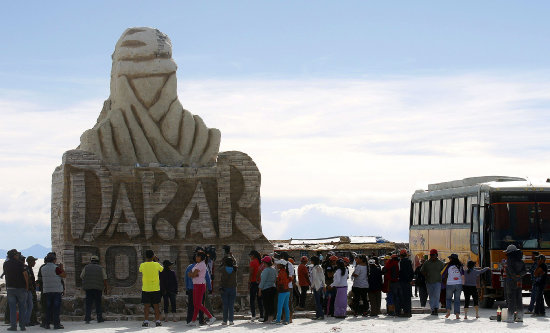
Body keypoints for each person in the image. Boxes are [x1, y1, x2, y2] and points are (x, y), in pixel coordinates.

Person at [188, 251, 216, 326]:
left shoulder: (201, 265)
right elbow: (190, 273)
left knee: (198, 304)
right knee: (196, 304)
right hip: (196, 285)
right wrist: (193, 274)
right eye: (196, 256)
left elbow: (192, 274)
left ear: (202, 258)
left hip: (200, 285)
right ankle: (193, 321)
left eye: (198, 256)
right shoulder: (198, 264)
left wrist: (192, 274)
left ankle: (211, 317)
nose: (196, 257)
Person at [3, 249, 29, 331]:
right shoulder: (20, 264)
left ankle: (13, 326)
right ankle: (22, 326)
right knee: (22, 308)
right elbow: (25, 275)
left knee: (12, 309)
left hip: (10, 288)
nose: (18, 256)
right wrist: (27, 286)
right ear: (14, 255)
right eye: (17, 255)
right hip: (21, 288)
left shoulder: (5, 264)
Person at [41, 252, 66, 330]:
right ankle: (56, 324)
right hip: (56, 290)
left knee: (48, 308)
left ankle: (47, 324)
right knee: (56, 308)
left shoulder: (43, 268)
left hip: (47, 290)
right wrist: (61, 268)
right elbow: (64, 275)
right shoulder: (56, 268)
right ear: (53, 260)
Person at [139, 250, 164, 327]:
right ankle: (157, 321)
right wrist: (157, 261)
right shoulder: (156, 264)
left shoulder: (142, 265)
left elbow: (140, 270)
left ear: (146, 256)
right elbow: (162, 269)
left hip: (146, 288)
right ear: (153, 256)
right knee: (156, 306)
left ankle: (146, 321)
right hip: (155, 288)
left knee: (146, 306)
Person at [81, 255, 108, 324]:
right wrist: (106, 288)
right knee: (98, 304)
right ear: (98, 261)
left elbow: (81, 276)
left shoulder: (86, 267)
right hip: (98, 288)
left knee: (88, 304)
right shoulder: (101, 268)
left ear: (91, 261)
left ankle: (87, 318)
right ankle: (99, 318)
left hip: (88, 288)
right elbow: (104, 279)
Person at [504, 244, 526, 323]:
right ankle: (520, 317)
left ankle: (510, 317)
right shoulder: (521, 261)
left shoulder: (509, 260)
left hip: (511, 282)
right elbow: (525, 271)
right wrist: (519, 276)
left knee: (511, 300)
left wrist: (515, 276)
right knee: (519, 299)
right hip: (519, 282)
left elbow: (510, 271)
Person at [421, 249, 445, 316]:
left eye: (433, 255)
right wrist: (426, 275)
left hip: (438, 282)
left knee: (437, 296)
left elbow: (444, 272)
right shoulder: (427, 263)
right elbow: (422, 270)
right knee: (431, 296)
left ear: (436, 255)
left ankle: (436, 308)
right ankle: (432, 309)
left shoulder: (440, 263)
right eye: (431, 255)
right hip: (429, 282)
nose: (432, 256)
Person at [441, 254, 464, 319]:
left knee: (448, 299)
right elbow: (463, 274)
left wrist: (442, 281)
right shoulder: (460, 265)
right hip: (458, 284)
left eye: (450, 258)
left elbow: (442, 273)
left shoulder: (448, 265)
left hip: (450, 284)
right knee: (457, 300)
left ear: (451, 259)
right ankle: (457, 315)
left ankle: (448, 312)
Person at [258, 256, 277, 323]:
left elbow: (262, 281)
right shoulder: (274, 270)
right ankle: (271, 318)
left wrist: (260, 290)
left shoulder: (265, 270)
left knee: (266, 304)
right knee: (271, 304)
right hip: (273, 288)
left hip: (266, 289)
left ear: (265, 263)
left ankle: (268, 318)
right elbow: (275, 279)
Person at [220, 257, 238, 325]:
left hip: (224, 288)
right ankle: (231, 320)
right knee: (231, 305)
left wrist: (222, 263)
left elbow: (219, 268)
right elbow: (236, 263)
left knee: (225, 305)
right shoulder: (235, 269)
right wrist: (232, 256)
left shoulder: (223, 269)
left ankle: (224, 320)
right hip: (233, 288)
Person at [397, 250, 414, 317]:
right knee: (408, 298)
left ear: (401, 255)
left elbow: (400, 272)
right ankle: (408, 312)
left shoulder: (401, 262)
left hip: (402, 282)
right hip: (408, 282)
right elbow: (412, 272)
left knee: (403, 297)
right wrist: (410, 279)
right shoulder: (409, 262)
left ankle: (406, 312)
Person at [248, 250, 263, 321]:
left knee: (252, 300)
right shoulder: (260, 262)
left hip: (254, 282)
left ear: (253, 255)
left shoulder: (252, 262)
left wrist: (249, 282)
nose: (250, 257)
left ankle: (253, 315)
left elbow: (251, 273)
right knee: (260, 300)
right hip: (260, 282)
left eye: (250, 255)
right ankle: (261, 316)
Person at [275, 259, 291, 324]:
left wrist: (277, 281)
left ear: (281, 265)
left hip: (282, 291)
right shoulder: (286, 271)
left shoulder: (281, 272)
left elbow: (280, 282)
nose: (277, 265)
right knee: (286, 306)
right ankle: (287, 319)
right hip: (287, 290)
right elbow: (290, 279)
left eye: (278, 264)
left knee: (279, 306)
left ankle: (278, 320)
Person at [309, 256, 326, 320]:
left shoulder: (314, 269)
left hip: (316, 286)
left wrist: (312, 286)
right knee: (320, 301)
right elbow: (322, 277)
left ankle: (320, 315)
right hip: (321, 286)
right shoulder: (320, 267)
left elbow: (314, 279)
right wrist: (324, 285)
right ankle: (318, 315)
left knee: (317, 302)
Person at [25, 256, 39, 327]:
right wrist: (32, 288)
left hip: (32, 289)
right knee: (31, 305)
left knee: (33, 305)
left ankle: (34, 320)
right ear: (30, 262)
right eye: (33, 261)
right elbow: (29, 280)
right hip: (30, 290)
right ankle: (31, 320)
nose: (35, 262)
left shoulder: (29, 269)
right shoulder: (28, 269)